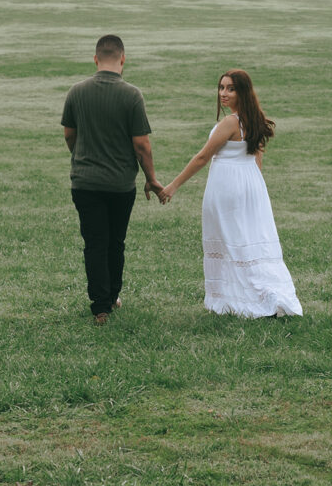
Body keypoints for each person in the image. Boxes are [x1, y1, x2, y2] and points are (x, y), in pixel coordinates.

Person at [160, 70, 302, 318]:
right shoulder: (255, 119)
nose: (223, 93)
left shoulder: (231, 122)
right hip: (250, 186)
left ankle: (241, 298)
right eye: (221, 87)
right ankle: (252, 293)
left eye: (230, 89)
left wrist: (173, 186)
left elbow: (203, 157)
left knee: (232, 242)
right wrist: (253, 192)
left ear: (242, 92)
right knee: (246, 240)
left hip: (227, 187)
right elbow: (256, 159)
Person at [61, 35, 163, 325]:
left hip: (84, 182)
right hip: (120, 184)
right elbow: (141, 144)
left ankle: (100, 306)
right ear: (123, 59)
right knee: (115, 242)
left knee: (94, 242)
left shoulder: (76, 92)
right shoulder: (132, 95)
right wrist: (151, 178)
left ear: (95, 59)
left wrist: (80, 155)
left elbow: (69, 134)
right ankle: (112, 295)